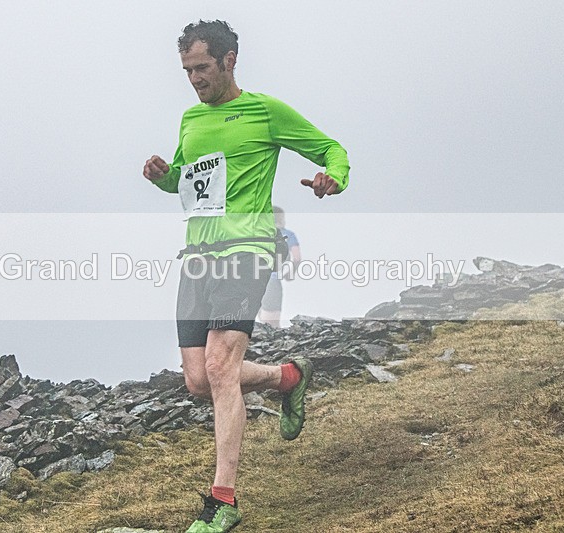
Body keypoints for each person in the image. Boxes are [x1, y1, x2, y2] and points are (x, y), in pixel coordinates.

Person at [142, 20, 349, 532]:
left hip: (247, 251)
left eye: (202, 68)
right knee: (198, 380)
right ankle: (287, 378)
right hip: (197, 257)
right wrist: (164, 176)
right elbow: (188, 185)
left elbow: (332, 149)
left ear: (230, 60)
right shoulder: (190, 119)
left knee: (219, 365)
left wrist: (332, 179)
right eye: (187, 70)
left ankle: (224, 502)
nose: (194, 79)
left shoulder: (265, 112)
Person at [258, 206, 301, 329]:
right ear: (281, 219)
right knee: (272, 326)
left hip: (250, 280)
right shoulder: (287, 235)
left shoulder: (257, 233)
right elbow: (297, 258)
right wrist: (290, 273)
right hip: (272, 281)